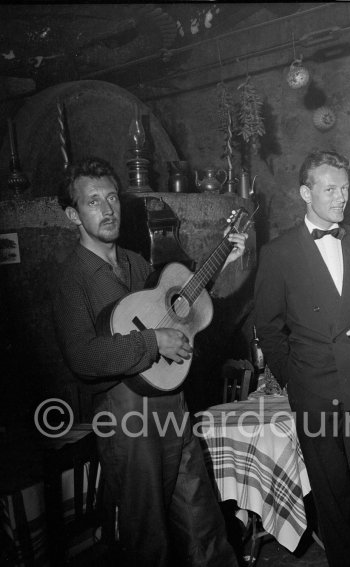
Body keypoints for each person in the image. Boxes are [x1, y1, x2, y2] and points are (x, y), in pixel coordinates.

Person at [52, 157, 246, 567]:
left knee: (203, 522)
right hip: (125, 418)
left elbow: (187, 308)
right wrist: (152, 340)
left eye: (111, 198)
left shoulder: (136, 263)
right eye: (92, 202)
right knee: (150, 539)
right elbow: (82, 356)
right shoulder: (72, 278)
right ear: (74, 214)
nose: (107, 210)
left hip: (172, 404)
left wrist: (225, 266)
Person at [254, 150, 350, 567]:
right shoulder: (278, 253)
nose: (342, 197)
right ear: (306, 193)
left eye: (345, 188)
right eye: (330, 189)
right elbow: (268, 326)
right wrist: (293, 380)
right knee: (332, 494)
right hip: (314, 390)